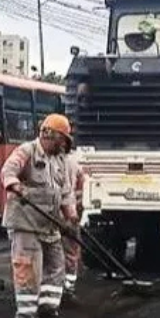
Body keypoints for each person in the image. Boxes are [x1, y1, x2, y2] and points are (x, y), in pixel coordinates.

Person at [1, 113, 76, 318]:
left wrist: (70, 216)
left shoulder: (60, 159)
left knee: (56, 265)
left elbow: (65, 191)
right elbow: (8, 170)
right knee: (29, 269)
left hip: (49, 223)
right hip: (26, 222)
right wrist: (17, 186)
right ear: (49, 134)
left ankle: (48, 310)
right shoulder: (27, 151)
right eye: (61, 140)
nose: (63, 145)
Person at [61, 131, 87, 307]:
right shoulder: (74, 163)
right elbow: (83, 187)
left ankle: (60, 288)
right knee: (69, 253)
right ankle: (68, 289)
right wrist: (77, 204)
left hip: (58, 215)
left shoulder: (54, 162)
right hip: (68, 215)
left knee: (56, 254)